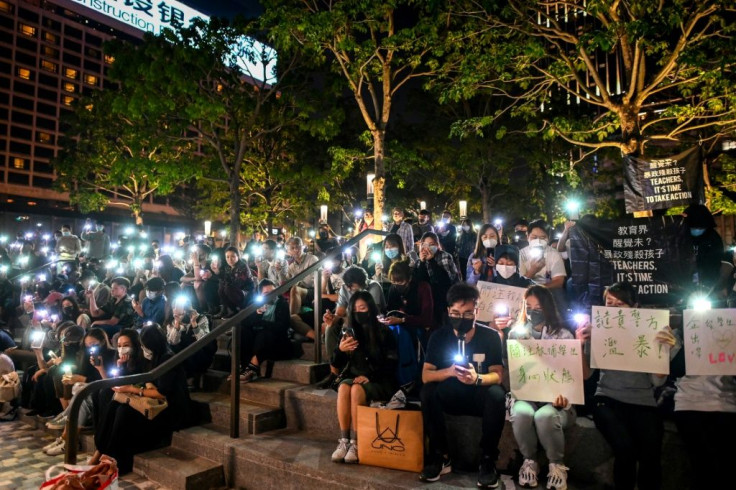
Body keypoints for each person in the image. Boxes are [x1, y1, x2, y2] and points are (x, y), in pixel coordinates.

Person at [576, 282, 677, 490]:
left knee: (651, 452)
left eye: (620, 304)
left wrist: (663, 351)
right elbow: (586, 375)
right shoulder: (597, 331)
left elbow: (657, 381)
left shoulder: (649, 332)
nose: (613, 309)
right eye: (609, 303)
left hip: (643, 402)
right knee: (625, 449)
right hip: (606, 399)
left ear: (634, 307)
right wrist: (580, 345)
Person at [419, 283, 505, 487]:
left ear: (476, 311)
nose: (461, 318)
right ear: (448, 311)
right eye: (456, 313)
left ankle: (487, 459)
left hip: (478, 394)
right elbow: (426, 375)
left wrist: (477, 378)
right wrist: (449, 372)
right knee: (428, 392)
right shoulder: (439, 336)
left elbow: (498, 375)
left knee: (497, 395)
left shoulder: (490, 336)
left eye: (467, 313)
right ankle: (440, 454)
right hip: (451, 392)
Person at [89, 325, 189, 474]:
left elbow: (162, 392)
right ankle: (104, 451)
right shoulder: (151, 357)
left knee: (124, 411)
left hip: (168, 407)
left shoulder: (166, 358)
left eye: (144, 345)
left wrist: (131, 389)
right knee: (113, 405)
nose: (143, 349)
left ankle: (117, 460)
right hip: (150, 400)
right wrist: (120, 369)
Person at [507, 286, 574, 490]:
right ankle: (529, 461)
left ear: (549, 308)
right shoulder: (515, 334)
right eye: (529, 307)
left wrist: (565, 396)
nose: (534, 311)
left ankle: (557, 465)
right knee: (520, 413)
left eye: (539, 307)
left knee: (544, 416)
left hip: (557, 403)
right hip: (526, 398)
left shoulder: (564, 336)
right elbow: (511, 372)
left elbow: (572, 375)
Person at [330, 291, 398, 464]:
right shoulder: (348, 331)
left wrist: (370, 376)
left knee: (356, 389)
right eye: (355, 309)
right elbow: (336, 363)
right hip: (354, 377)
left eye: (363, 308)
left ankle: (357, 442)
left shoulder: (384, 331)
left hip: (380, 379)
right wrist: (341, 350)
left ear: (370, 309)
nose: (359, 312)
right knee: (345, 387)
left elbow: (391, 364)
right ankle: (344, 440)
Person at [237, 280, 292, 382]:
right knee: (243, 332)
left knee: (264, 334)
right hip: (256, 338)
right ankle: (244, 367)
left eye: (273, 291)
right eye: (266, 293)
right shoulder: (254, 304)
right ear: (260, 295)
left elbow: (283, 326)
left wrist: (262, 324)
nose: (271, 295)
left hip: (275, 340)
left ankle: (252, 368)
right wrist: (257, 314)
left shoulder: (282, 303)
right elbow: (244, 322)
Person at [414, 232, 459, 326]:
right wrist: (422, 263)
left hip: (443, 300)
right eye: (426, 244)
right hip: (428, 301)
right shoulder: (419, 261)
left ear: (438, 245)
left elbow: (445, 281)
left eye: (432, 244)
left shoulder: (445, 256)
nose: (429, 247)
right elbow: (421, 282)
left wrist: (431, 261)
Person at [165, 296, 214, 383]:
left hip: (200, 355)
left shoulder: (201, 318)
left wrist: (194, 324)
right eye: (174, 307)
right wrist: (177, 324)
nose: (176, 310)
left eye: (179, 307)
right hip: (182, 356)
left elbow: (205, 342)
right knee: (171, 347)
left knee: (191, 344)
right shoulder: (171, 322)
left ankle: (191, 376)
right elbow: (172, 342)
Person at [519, 220, 566, 289]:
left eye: (543, 238)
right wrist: (533, 270)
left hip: (548, 290)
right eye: (534, 237)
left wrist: (539, 289)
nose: (538, 241)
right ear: (528, 237)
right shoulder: (521, 254)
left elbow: (558, 281)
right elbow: (520, 283)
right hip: (526, 290)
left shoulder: (554, 254)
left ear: (548, 239)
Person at [215, 246, 255, 319]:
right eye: (227, 257)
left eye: (233, 256)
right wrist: (217, 272)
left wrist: (221, 277)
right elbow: (224, 280)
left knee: (227, 287)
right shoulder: (228, 267)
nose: (230, 259)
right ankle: (227, 310)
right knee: (221, 286)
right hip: (235, 291)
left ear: (238, 256)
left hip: (246, 293)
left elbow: (238, 283)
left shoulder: (242, 266)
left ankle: (239, 309)